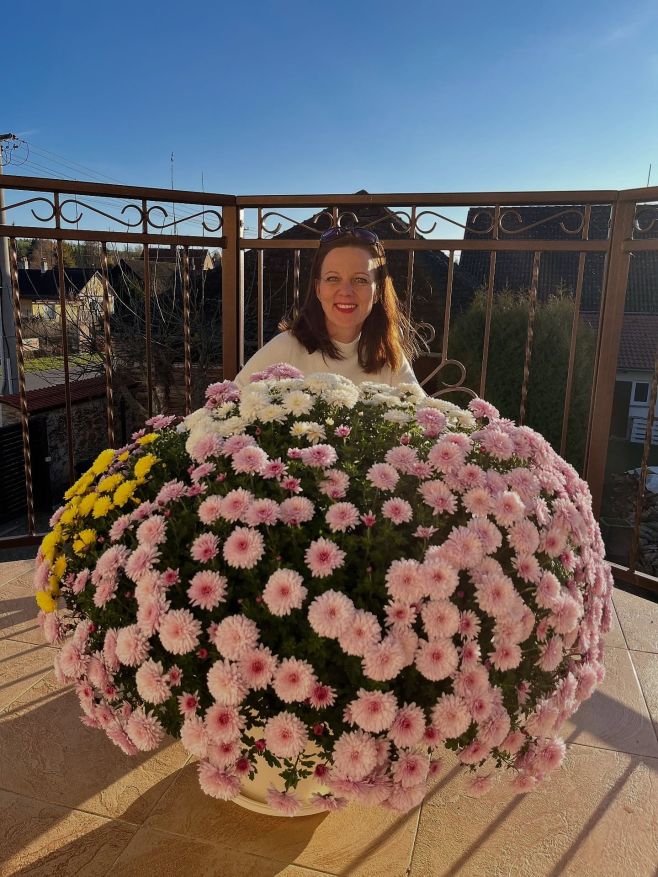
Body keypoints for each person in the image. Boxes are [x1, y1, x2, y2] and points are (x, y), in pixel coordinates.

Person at [234, 227, 422, 388]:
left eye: (360, 280)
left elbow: (428, 422)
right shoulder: (286, 348)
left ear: (378, 291)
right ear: (318, 289)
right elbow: (224, 409)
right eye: (333, 279)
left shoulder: (388, 356)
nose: (346, 291)